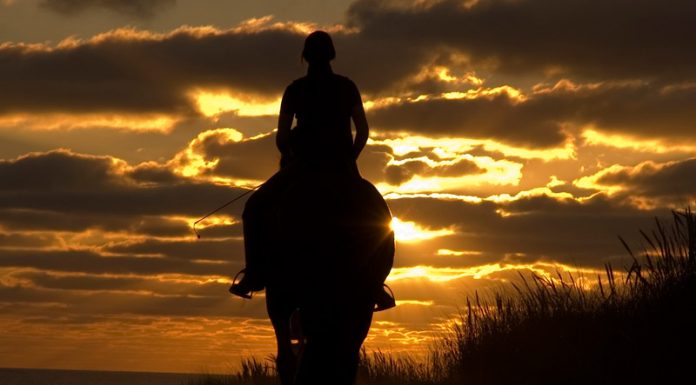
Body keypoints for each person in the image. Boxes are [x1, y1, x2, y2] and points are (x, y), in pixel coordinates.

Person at [230, 31, 395, 384]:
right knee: (379, 216)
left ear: (305, 57)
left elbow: (281, 135)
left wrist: (291, 158)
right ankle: (376, 283)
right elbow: (363, 131)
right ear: (331, 56)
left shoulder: (295, 90)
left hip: (301, 167)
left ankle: (254, 273)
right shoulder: (347, 87)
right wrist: (349, 158)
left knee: (255, 207)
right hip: (342, 166)